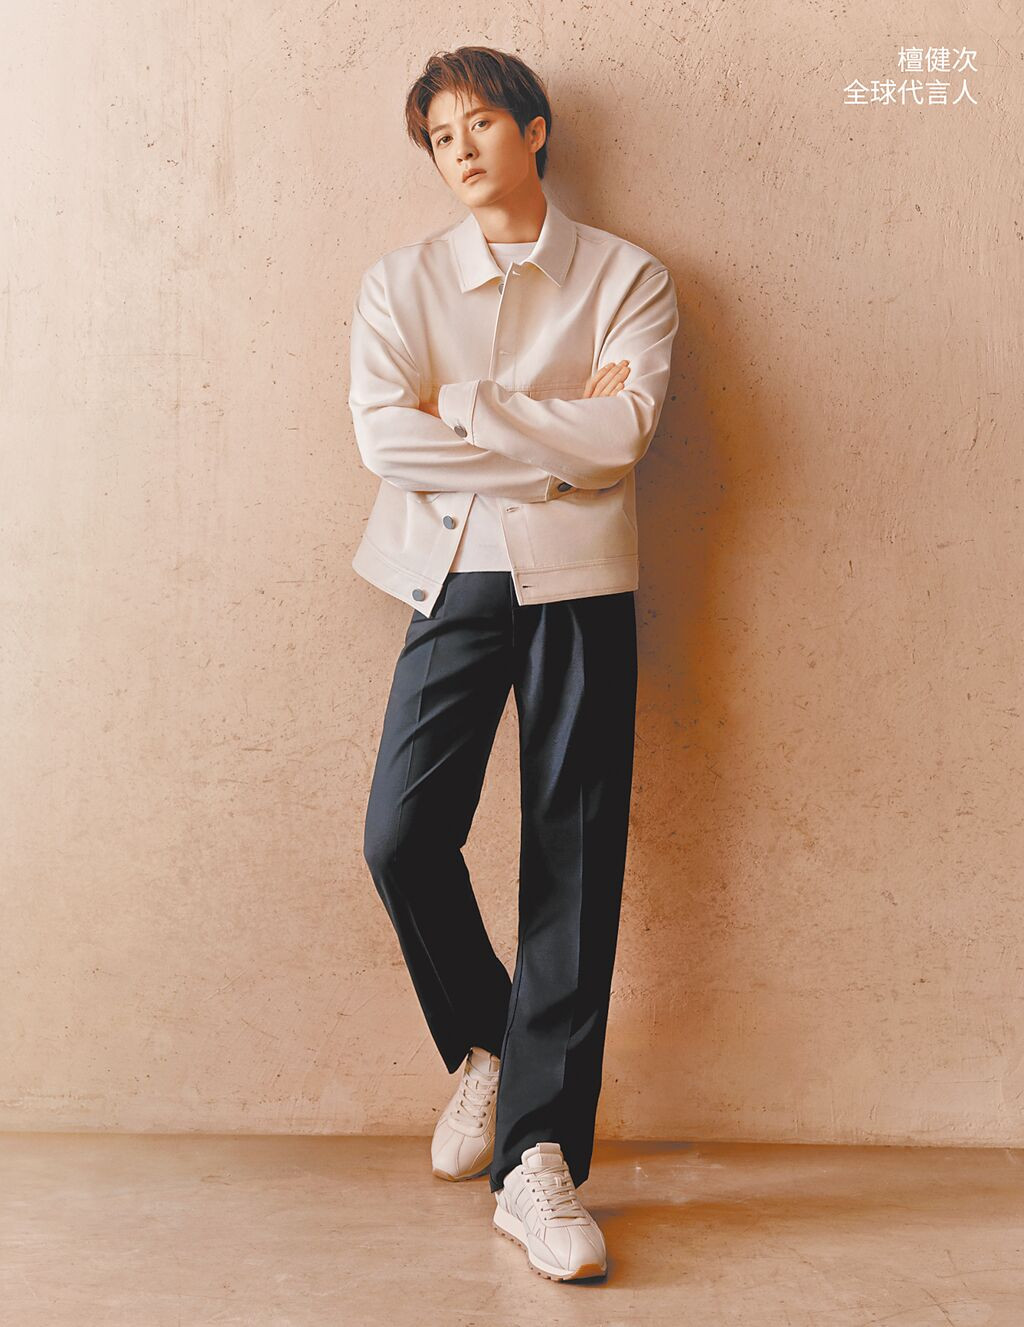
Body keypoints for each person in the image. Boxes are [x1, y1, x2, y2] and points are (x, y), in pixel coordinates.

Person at [347, 45, 679, 1282]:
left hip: (581, 587)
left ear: (534, 130)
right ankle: (494, 1046)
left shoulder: (627, 276)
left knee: (572, 860)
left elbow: (623, 432)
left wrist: (467, 405)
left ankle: (536, 1158)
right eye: (442, 136)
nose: (462, 150)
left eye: (482, 123)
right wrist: (550, 449)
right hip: (448, 577)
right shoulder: (400, 282)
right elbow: (384, 439)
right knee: (400, 835)